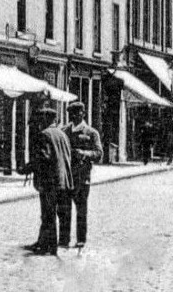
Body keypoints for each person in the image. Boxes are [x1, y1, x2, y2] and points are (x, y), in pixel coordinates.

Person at [23, 105, 74, 256]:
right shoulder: (62, 134)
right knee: (55, 213)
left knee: (48, 213)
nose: (38, 123)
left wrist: (27, 168)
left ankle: (49, 247)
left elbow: (43, 159)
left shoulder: (44, 134)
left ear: (45, 119)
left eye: (39, 120)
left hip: (50, 182)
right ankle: (43, 241)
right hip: (64, 181)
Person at [60, 102, 102, 249]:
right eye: (71, 113)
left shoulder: (91, 133)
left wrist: (84, 154)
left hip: (82, 176)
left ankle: (80, 239)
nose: (74, 116)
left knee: (81, 210)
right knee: (64, 209)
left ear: (83, 113)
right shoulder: (64, 131)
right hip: (66, 176)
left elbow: (98, 154)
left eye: (77, 113)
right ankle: (64, 239)